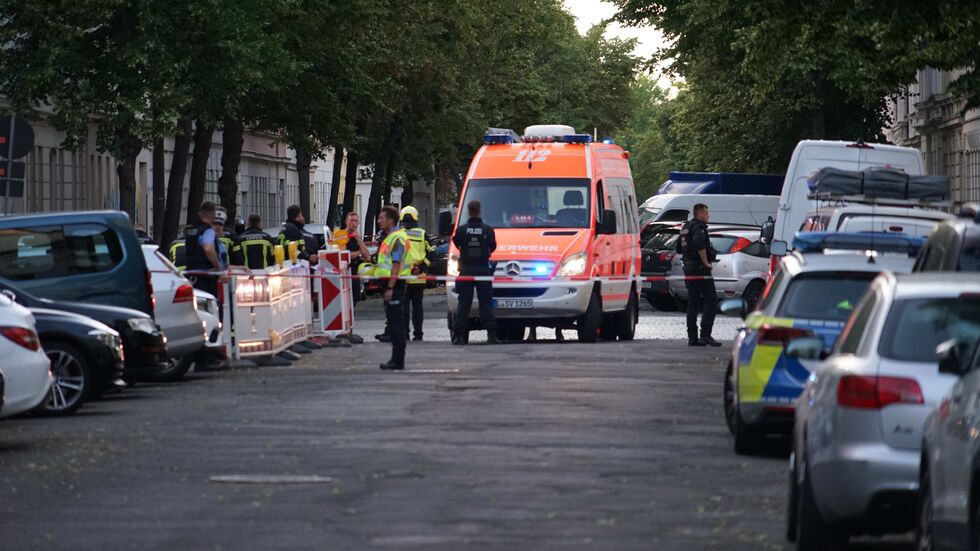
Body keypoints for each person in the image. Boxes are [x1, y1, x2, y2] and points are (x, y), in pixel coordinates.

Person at [452, 200, 498, 345]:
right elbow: (493, 246)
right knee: (486, 302)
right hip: (483, 269)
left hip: (466, 270)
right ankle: (491, 335)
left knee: (463, 304)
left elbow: (457, 243)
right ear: (480, 211)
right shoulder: (487, 230)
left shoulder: (461, 230)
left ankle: (459, 336)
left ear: (468, 211)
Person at [677, 203, 720, 347]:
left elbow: (678, 248)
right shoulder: (699, 227)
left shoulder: (685, 228)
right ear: (700, 214)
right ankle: (705, 335)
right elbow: (699, 244)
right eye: (707, 213)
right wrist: (706, 263)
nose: (708, 216)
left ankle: (692, 338)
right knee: (711, 300)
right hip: (700, 268)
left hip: (688, 267)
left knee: (692, 303)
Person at [375, 206, 412, 370]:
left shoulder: (397, 238)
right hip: (392, 284)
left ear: (390, 220)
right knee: (394, 322)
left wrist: (390, 287)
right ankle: (396, 359)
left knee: (396, 325)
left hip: (395, 285)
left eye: (381, 218)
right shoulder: (391, 237)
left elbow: (396, 264)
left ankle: (397, 360)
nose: (379, 221)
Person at [400, 205, 434, 341]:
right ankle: (418, 334)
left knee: (404, 308)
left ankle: (405, 334)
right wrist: (421, 268)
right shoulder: (422, 234)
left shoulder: (399, 235)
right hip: (419, 277)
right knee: (417, 307)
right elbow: (432, 253)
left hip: (403, 277)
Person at [184, 202, 224, 299]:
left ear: (200, 213)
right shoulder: (207, 231)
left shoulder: (191, 230)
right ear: (214, 215)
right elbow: (208, 248)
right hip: (206, 277)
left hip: (190, 276)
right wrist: (218, 268)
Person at [343, 212, 372, 305]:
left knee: (355, 298)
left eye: (356, 221)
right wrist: (359, 253)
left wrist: (359, 240)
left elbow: (367, 255)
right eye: (351, 220)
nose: (353, 223)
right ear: (346, 222)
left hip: (355, 271)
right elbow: (345, 255)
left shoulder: (357, 237)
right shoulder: (342, 236)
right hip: (345, 271)